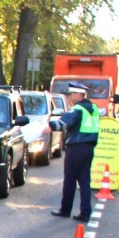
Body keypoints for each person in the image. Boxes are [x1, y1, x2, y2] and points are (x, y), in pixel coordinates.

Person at [46, 81, 100, 222]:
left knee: (70, 180)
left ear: (78, 95)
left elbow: (62, 124)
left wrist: (49, 125)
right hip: (89, 148)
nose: (70, 97)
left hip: (76, 148)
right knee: (84, 181)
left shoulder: (77, 109)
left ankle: (65, 209)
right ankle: (85, 213)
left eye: (71, 94)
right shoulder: (93, 108)